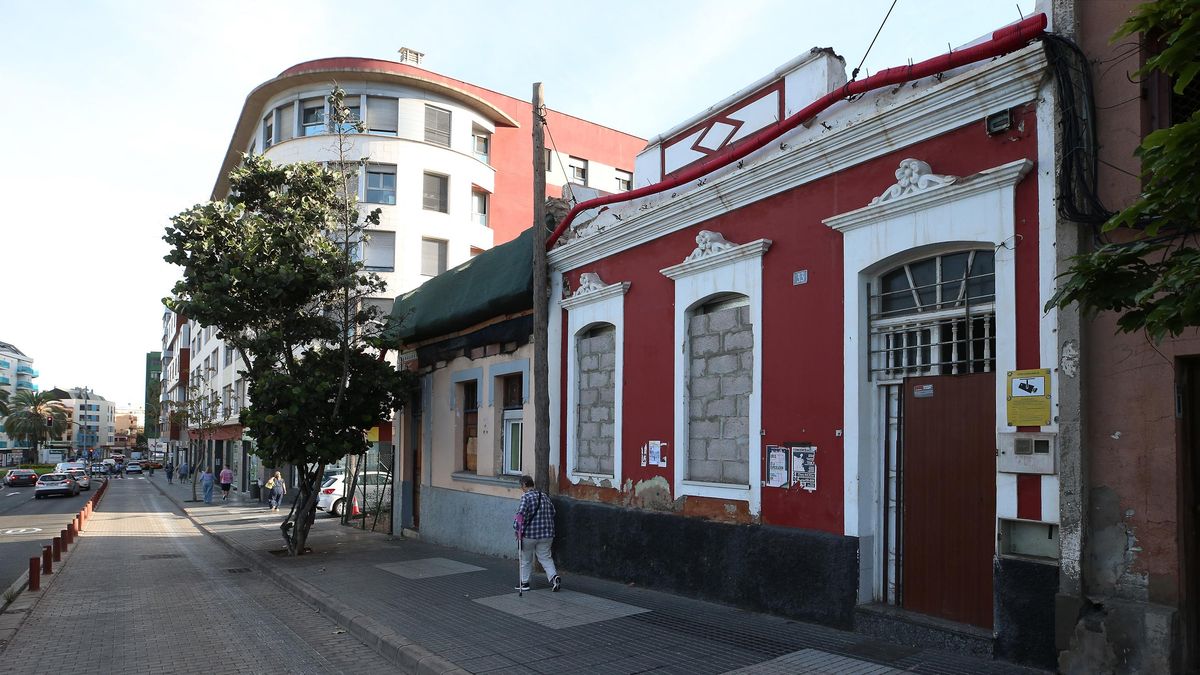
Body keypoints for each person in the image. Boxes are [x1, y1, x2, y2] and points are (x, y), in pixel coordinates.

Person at [513, 475, 561, 592]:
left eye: (521, 486)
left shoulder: (526, 497)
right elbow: (553, 512)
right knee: (545, 557)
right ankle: (554, 577)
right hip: (547, 534)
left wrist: (516, 529)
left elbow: (520, 515)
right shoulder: (543, 496)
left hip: (530, 535)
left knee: (526, 559)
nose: (521, 488)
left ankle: (524, 583)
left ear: (524, 484)